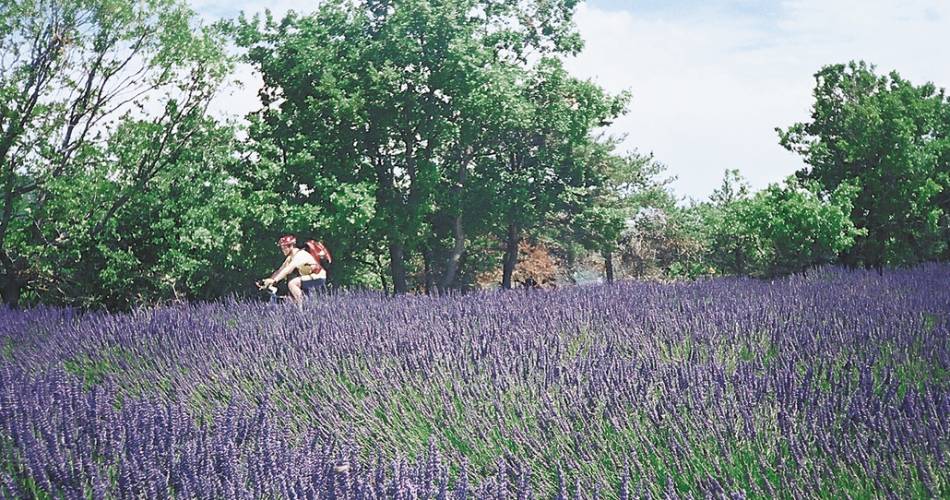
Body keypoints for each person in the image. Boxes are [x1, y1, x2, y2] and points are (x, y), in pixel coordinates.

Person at [260, 235, 327, 307]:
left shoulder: (299, 255)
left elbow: (288, 269)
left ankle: (302, 309)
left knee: (292, 283)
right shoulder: (290, 257)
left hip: (319, 276)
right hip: (310, 277)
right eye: (282, 248)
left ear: (291, 246)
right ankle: (303, 304)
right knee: (290, 285)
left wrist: (274, 281)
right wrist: (269, 281)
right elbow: (280, 270)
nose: (282, 250)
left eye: (284, 247)